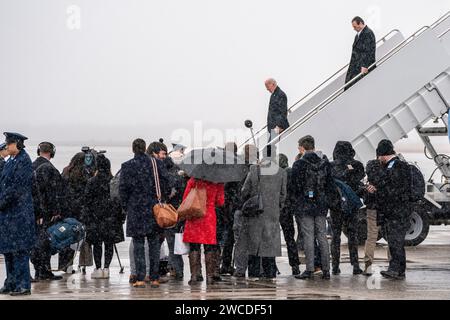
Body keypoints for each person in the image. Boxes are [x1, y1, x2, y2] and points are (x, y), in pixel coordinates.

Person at [119, 138, 171, 288]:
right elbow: (166, 183)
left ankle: (140, 277)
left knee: (138, 244)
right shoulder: (156, 164)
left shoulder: (127, 166)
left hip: (135, 209)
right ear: (145, 148)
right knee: (154, 244)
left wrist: (125, 206)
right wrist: (162, 199)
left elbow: (123, 190)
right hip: (154, 208)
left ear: (133, 149)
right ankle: (154, 277)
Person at [291, 135, 336, 280]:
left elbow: (294, 187)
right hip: (321, 205)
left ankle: (310, 269)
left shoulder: (299, 164)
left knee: (308, 237)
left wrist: (297, 202)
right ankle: (326, 270)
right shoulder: (325, 163)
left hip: (305, 205)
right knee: (322, 237)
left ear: (303, 148)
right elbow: (330, 185)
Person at [241, 154, 287, 282]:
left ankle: (254, 272)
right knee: (270, 242)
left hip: (256, 211)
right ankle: (270, 272)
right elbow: (283, 194)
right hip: (272, 212)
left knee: (254, 242)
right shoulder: (282, 173)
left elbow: (245, 190)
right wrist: (277, 207)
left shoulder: (254, 170)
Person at [0, 132, 36, 296]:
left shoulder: (24, 161)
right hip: (9, 214)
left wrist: (2, 202)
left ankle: (23, 285)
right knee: (8, 250)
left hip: (19, 213)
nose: (7, 146)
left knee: (20, 250)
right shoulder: (10, 162)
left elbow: (16, 189)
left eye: (10, 143)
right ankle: (11, 282)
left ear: (18, 144)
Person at [372, 140, 411, 280]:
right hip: (399, 210)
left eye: (379, 156)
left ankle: (396, 269)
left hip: (396, 211)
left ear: (383, 155)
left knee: (395, 241)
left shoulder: (394, 167)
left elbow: (393, 190)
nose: (378, 160)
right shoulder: (399, 166)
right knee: (396, 241)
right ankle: (398, 269)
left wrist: (378, 190)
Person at [83, 154, 125, 279]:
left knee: (97, 244)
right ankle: (106, 268)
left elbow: (87, 201)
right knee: (109, 244)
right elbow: (118, 200)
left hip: (96, 218)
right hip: (111, 218)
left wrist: (86, 217)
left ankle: (98, 268)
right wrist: (120, 216)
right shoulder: (113, 181)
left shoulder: (91, 182)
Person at [30, 142, 64, 281]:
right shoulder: (50, 169)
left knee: (35, 242)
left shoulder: (31, 166)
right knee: (45, 242)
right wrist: (56, 210)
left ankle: (38, 270)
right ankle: (44, 271)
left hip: (32, 210)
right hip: (45, 211)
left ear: (39, 151)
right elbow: (53, 192)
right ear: (52, 153)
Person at [329, 141, 365, 275]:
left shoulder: (331, 166)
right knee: (352, 235)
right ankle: (355, 265)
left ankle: (335, 266)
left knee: (335, 236)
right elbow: (359, 179)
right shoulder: (357, 166)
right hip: (351, 205)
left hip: (336, 205)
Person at [183, 177, 225, 285]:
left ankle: (194, 276)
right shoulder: (217, 181)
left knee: (194, 246)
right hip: (209, 216)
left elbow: (185, 198)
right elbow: (220, 202)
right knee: (209, 246)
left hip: (194, 214)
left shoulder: (193, 180)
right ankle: (210, 277)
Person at [59, 152, 91, 273]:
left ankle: (65, 264)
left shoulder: (66, 171)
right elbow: (87, 193)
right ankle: (78, 264)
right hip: (80, 209)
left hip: (66, 209)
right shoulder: (85, 174)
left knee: (65, 237)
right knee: (78, 237)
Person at [232, 144, 258, 278]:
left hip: (241, 208)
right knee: (255, 240)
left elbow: (239, 191)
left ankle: (240, 269)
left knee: (240, 240)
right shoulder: (260, 169)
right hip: (257, 209)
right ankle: (254, 269)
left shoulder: (239, 169)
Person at [279, 153, 301, 276]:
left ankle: (271, 266)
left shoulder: (277, 173)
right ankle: (295, 265)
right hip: (289, 208)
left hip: (279, 208)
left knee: (271, 238)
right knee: (290, 238)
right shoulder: (291, 172)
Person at [362, 159, 386, 275]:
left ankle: (368, 266)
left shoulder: (370, 183)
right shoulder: (385, 180)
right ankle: (392, 264)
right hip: (385, 210)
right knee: (390, 237)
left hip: (372, 210)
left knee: (371, 238)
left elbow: (366, 199)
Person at [345, 16, 376, 90]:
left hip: (362, 66)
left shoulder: (368, 33)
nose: (354, 29)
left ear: (361, 23)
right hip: (355, 66)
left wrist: (365, 66)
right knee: (349, 86)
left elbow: (368, 50)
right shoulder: (358, 35)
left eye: (355, 27)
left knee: (355, 87)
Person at [265, 78, 289, 156]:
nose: (267, 89)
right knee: (269, 147)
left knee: (269, 147)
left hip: (278, 126)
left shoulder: (280, 94)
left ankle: (268, 162)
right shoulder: (275, 94)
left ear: (273, 84)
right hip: (274, 126)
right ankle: (269, 161)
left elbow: (282, 111)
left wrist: (279, 126)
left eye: (267, 86)